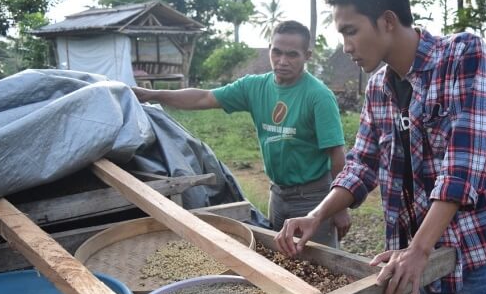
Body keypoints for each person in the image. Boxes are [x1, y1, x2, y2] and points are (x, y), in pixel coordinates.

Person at [274, 0, 486, 294]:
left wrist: (419, 250)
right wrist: (316, 216)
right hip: (418, 247)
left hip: (473, 243)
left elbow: (463, 166)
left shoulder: (461, 55)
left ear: (386, 20)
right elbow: (362, 164)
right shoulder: (379, 87)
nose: (345, 46)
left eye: (350, 31)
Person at [132, 20, 350, 248]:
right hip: (278, 194)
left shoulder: (318, 96)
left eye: (292, 55)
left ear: (308, 55)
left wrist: (339, 207)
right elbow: (203, 97)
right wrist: (152, 94)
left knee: (319, 264)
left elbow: (336, 154)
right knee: (282, 259)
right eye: (277, 52)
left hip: (313, 197)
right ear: (269, 49)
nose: (282, 61)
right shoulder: (254, 87)